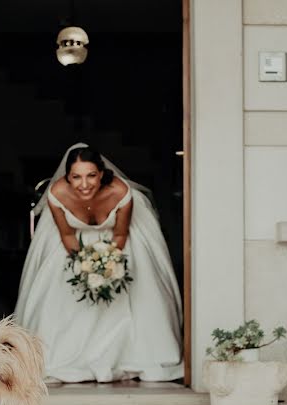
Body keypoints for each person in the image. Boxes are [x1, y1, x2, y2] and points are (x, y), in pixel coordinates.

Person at [14, 144, 183, 382]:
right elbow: (68, 235)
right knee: (60, 299)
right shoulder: (57, 194)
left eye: (91, 175)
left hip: (116, 243)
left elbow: (121, 234)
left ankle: (129, 355)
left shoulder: (121, 192)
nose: (84, 184)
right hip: (74, 245)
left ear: (101, 174)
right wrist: (84, 265)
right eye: (76, 177)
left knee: (137, 296)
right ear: (67, 177)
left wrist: (108, 265)